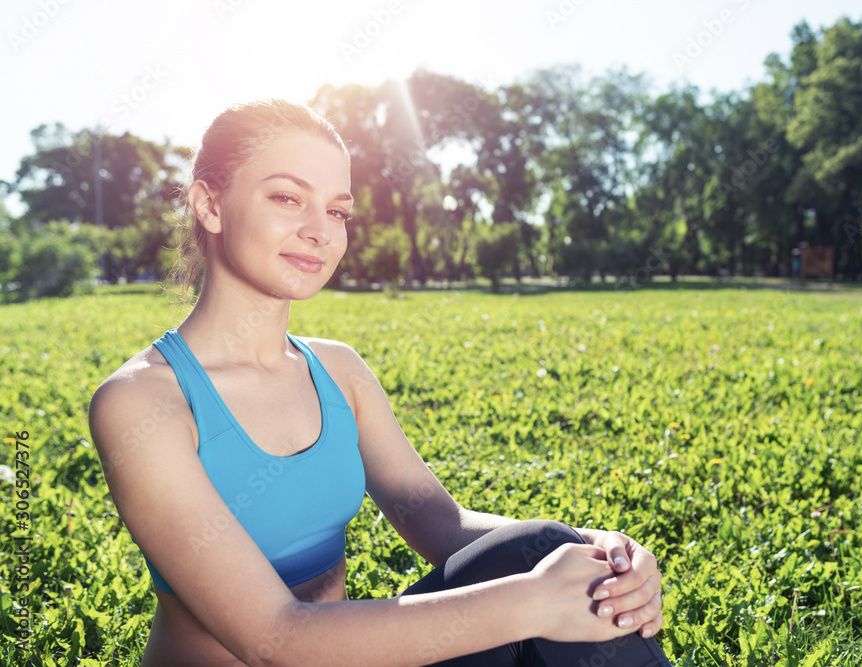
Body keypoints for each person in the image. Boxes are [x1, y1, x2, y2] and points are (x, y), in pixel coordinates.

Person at [89, 99, 671, 666]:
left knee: (544, 545)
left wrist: (595, 549)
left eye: (337, 210)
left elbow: (441, 524)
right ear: (209, 205)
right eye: (288, 198)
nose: (320, 231)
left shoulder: (337, 371)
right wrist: (532, 601)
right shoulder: (144, 401)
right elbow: (274, 640)